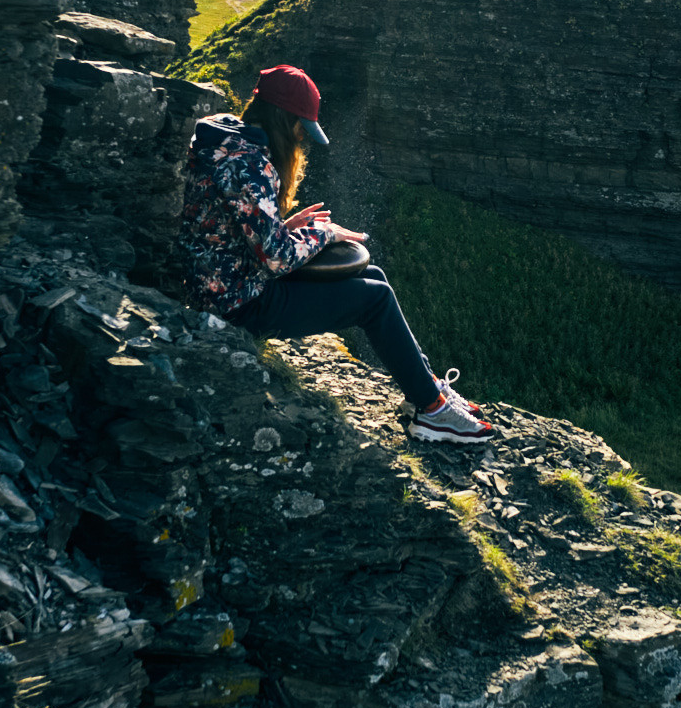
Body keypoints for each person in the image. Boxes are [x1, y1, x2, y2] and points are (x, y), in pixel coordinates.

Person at [179, 64, 495, 445]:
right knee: (375, 300)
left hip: (226, 279)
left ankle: (425, 387)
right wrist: (323, 233)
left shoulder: (228, 143)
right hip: (238, 304)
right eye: (300, 129)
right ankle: (432, 413)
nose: (301, 140)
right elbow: (277, 259)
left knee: (373, 276)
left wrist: (285, 226)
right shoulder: (249, 166)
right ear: (284, 120)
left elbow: (232, 229)